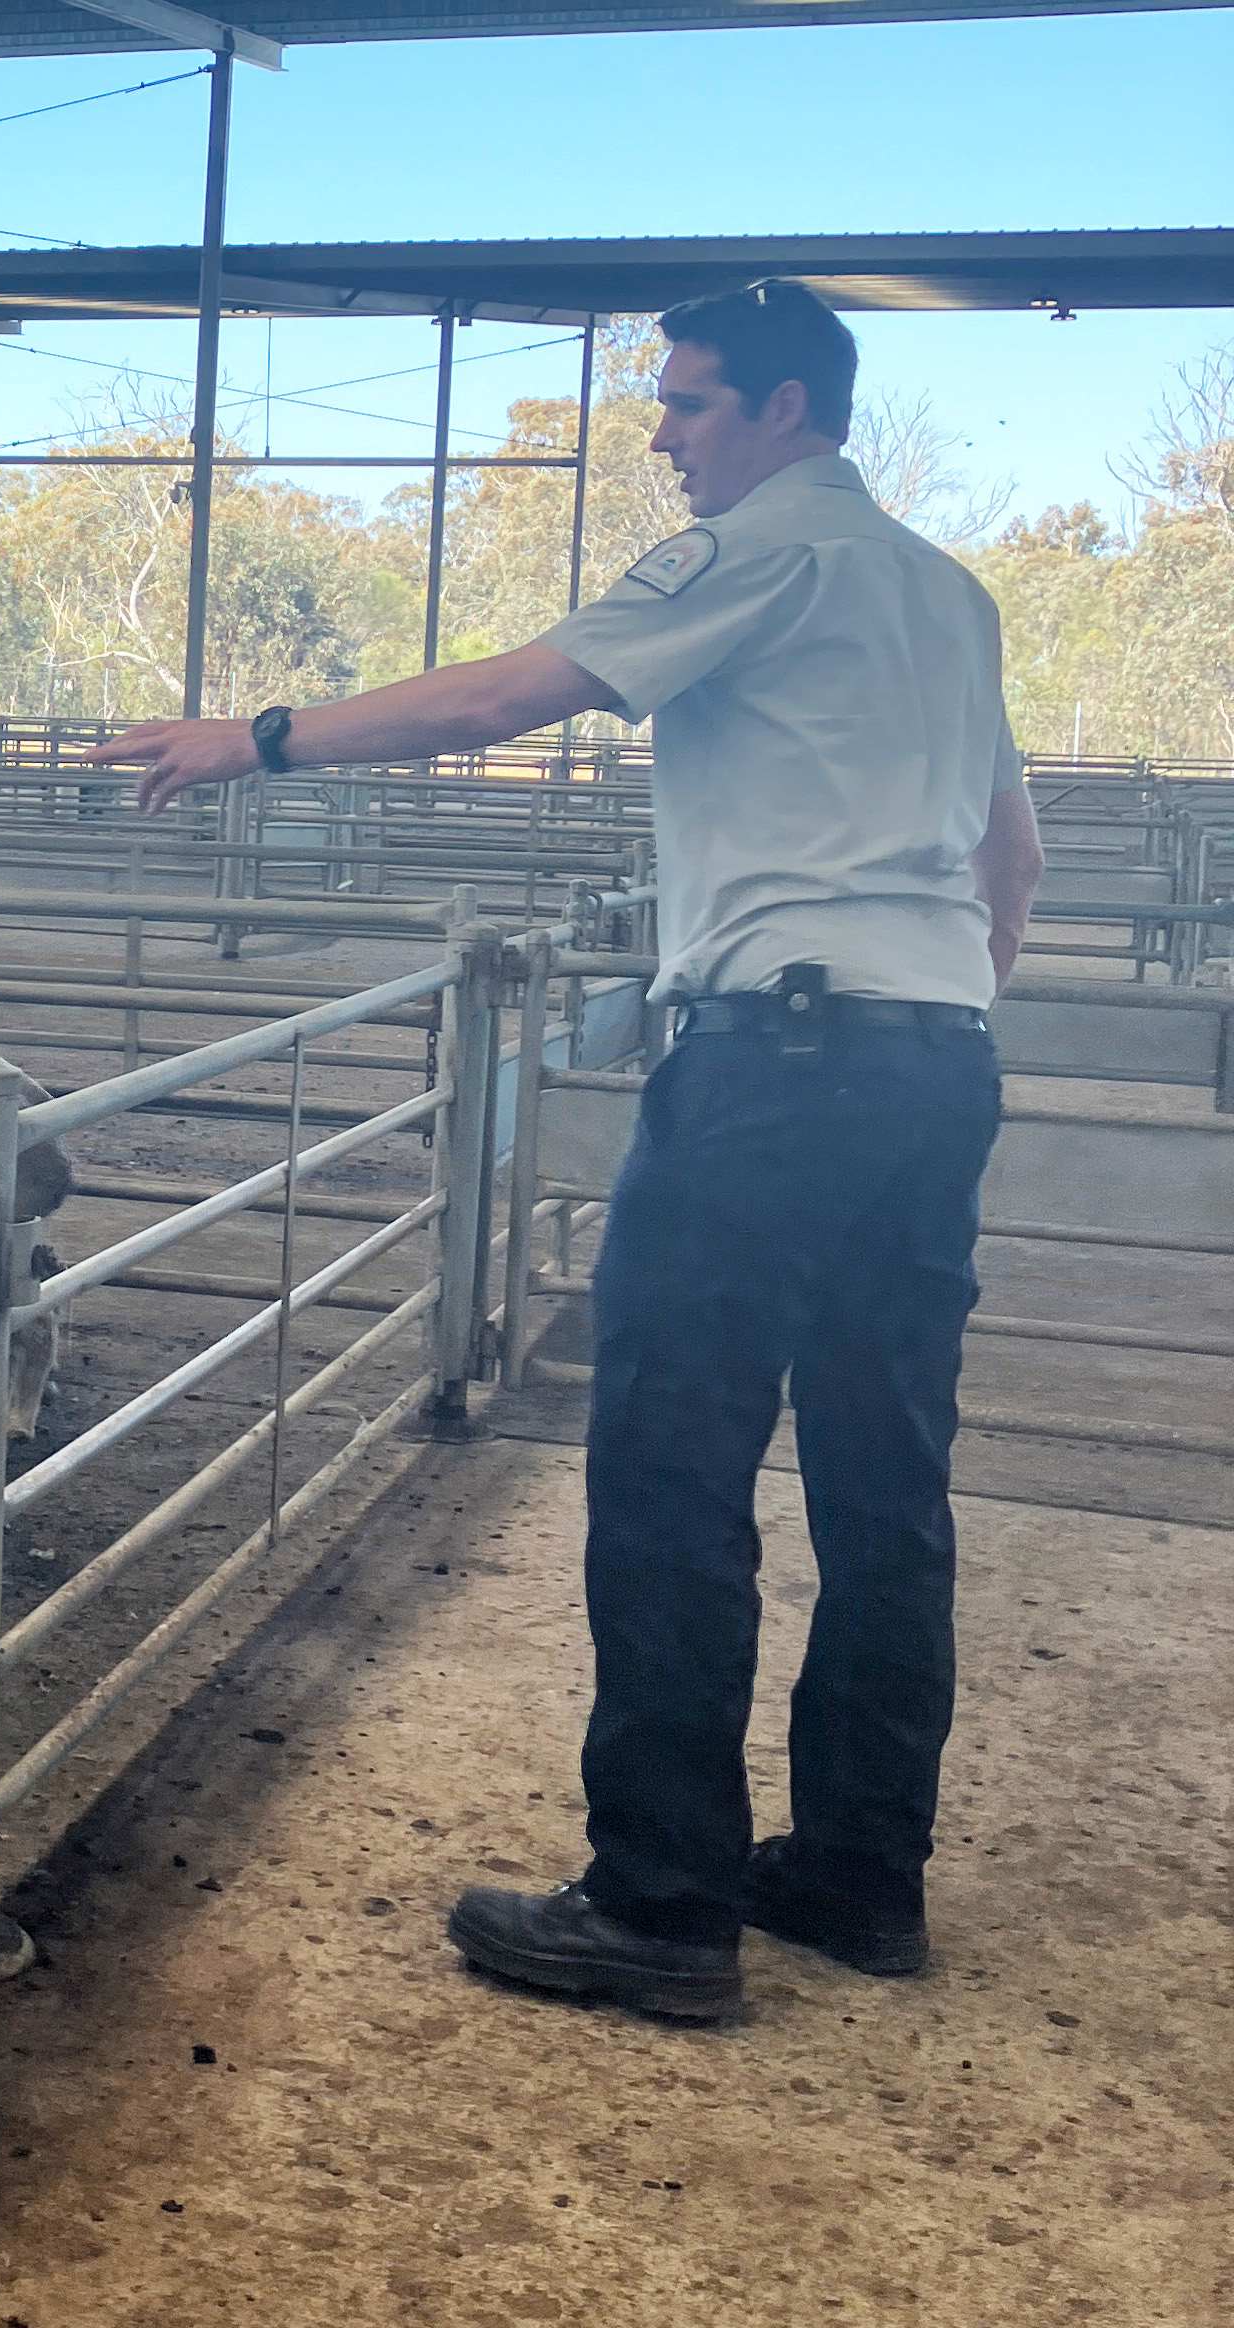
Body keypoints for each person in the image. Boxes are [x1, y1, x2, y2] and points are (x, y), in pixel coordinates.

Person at [85, 279, 1044, 2022]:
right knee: (884, 1476)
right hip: (934, 1058)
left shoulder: (761, 550)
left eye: (686, 405)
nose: (666, 434)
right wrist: (934, 1014)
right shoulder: (949, 592)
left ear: (780, 412)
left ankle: (663, 1900)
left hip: (781, 1058)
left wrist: (261, 739)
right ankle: (857, 1871)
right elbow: (1015, 864)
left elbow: (504, 702)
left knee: (674, 1467)